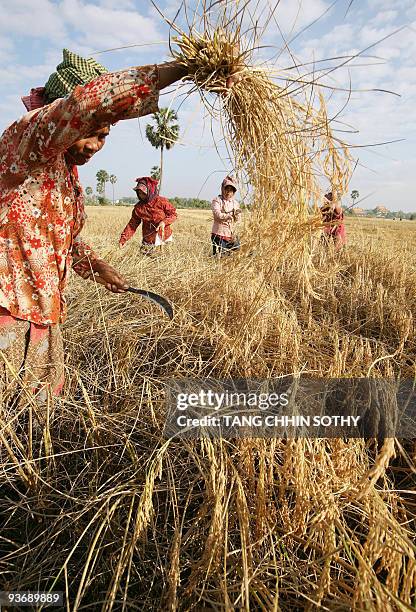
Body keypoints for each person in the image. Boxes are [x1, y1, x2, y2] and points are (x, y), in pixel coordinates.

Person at [0, 48, 241, 404]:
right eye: (89, 133)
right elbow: (87, 105)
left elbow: (58, 240)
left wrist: (94, 265)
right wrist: (184, 68)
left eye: (104, 137)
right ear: (61, 112)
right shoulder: (27, 141)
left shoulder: (66, 176)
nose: (95, 146)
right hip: (8, 310)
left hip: (44, 310)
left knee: (34, 419)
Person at [118, 177, 177, 253]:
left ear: (150, 191)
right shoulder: (138, 208)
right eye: (139, 193)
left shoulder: (161, 202)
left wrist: (164, 222)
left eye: (143, 193)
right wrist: (123, 239)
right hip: (148, 240)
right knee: (147, 260)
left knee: (164, 260)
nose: (141, 196)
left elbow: (173, 214)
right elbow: (132, 225)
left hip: (164, 237)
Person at [211, 176, 242, 257]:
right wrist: (227, 216)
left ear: (233, 192)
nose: (228, 193)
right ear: (222, 189)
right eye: (226, 190)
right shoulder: (217, 200)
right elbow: (217, 214)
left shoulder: (235, 203)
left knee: (237, 251)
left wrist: (237, 215)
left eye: (231, 191)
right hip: (219, 233)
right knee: (221, 256)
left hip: (231, 234)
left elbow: (238, 219)